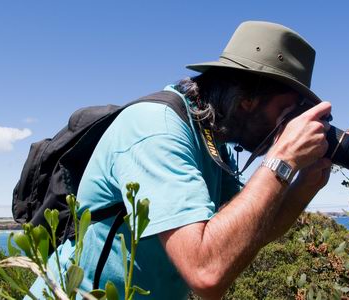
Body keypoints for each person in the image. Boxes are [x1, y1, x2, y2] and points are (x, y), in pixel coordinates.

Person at [28, 20, 332, 299]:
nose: (289, 125)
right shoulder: (156, 129)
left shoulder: (210, 137)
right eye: (287, 112)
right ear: (247, 100)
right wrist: (281, 159)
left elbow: (249, 230)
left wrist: (305, 185)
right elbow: (206, 272)